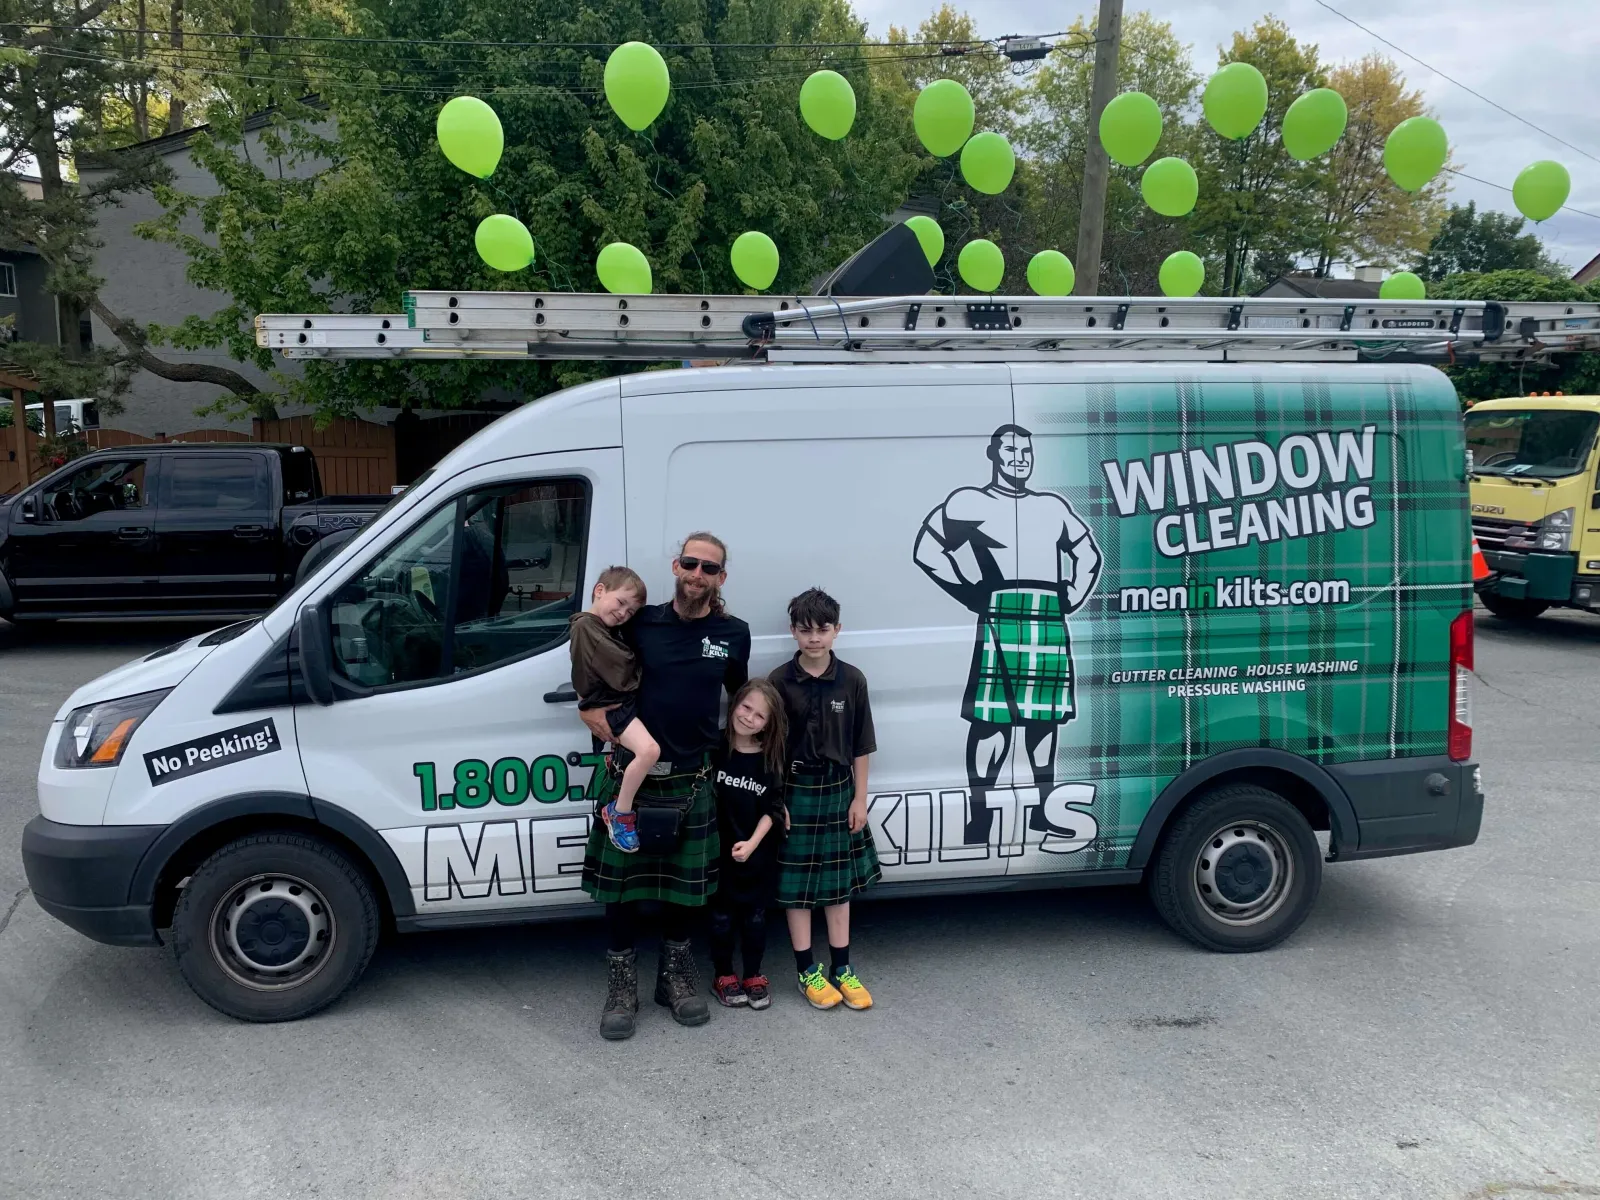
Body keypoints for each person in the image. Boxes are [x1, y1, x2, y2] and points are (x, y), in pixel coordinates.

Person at [578, 533, 751, 1040]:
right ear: (676, 566)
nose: (697, 574)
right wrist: (587, 708)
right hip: (631, 773)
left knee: (685, 893)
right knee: (623, 893)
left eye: (709, 568)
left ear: (721, 578)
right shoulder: (641, 622)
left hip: (693, 774)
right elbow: (602, 672)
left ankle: (674, 979)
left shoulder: (733, 633)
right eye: (690, 563)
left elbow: (737, 697)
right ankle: (621, 987)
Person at [913, 423, 1101, 844]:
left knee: (1043, 722)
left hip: (1048, 613)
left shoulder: (1052, 507)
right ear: (994, 455)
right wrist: (968, 592)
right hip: (999, 609)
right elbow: (928, 548)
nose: (1020, 459)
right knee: (991, 721)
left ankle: (1042, 813)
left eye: (1027, 453)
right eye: (1012, 451)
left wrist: (1072, 592)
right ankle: (980, 817)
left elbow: (1087, 551)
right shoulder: (970, 501)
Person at [769, 588, 881, 1011]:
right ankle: (806, 971)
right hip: (795, 792)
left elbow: (861, 745)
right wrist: (775, 801)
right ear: (793, 631)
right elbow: (772, 750)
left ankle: (842, 968)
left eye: (822, 630)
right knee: (796, 889)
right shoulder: (778, 681)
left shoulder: (853, 679)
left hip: (838, 790)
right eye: (805, 630)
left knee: (836, 889)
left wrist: (860, 798)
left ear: (837, 631)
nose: (814, 638)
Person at [708, 679, 789, 1011]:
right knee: (722, 918)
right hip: (719, 851)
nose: (749, 718)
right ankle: (724, 975)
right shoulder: (715, 749)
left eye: (760, 715)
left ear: (769, 724)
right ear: (734, 703)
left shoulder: (769, 758)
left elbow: (774, 808)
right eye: (746, 707)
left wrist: (753, 843)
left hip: (757, 853)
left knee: (756, 918)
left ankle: (754, 974)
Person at [568, 566, 660, 854]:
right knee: (649, 751)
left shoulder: (602, 629)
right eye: (621, 603)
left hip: (616, 705)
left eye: (631, 612)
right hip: (613, 707)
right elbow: (624, 673)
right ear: (599, 590)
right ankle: (620, 812)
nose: (623, 614)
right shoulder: (586, 627)